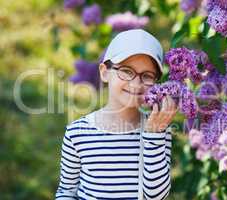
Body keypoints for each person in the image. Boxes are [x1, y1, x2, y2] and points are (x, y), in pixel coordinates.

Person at [55, 29, 177, 200]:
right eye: (127, 71)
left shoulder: (157, 131)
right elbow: (66, 192)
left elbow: (156, 196)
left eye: (147, 76)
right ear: (104, 72)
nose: (136, 84)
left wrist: (153, 134)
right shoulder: (77, 133)